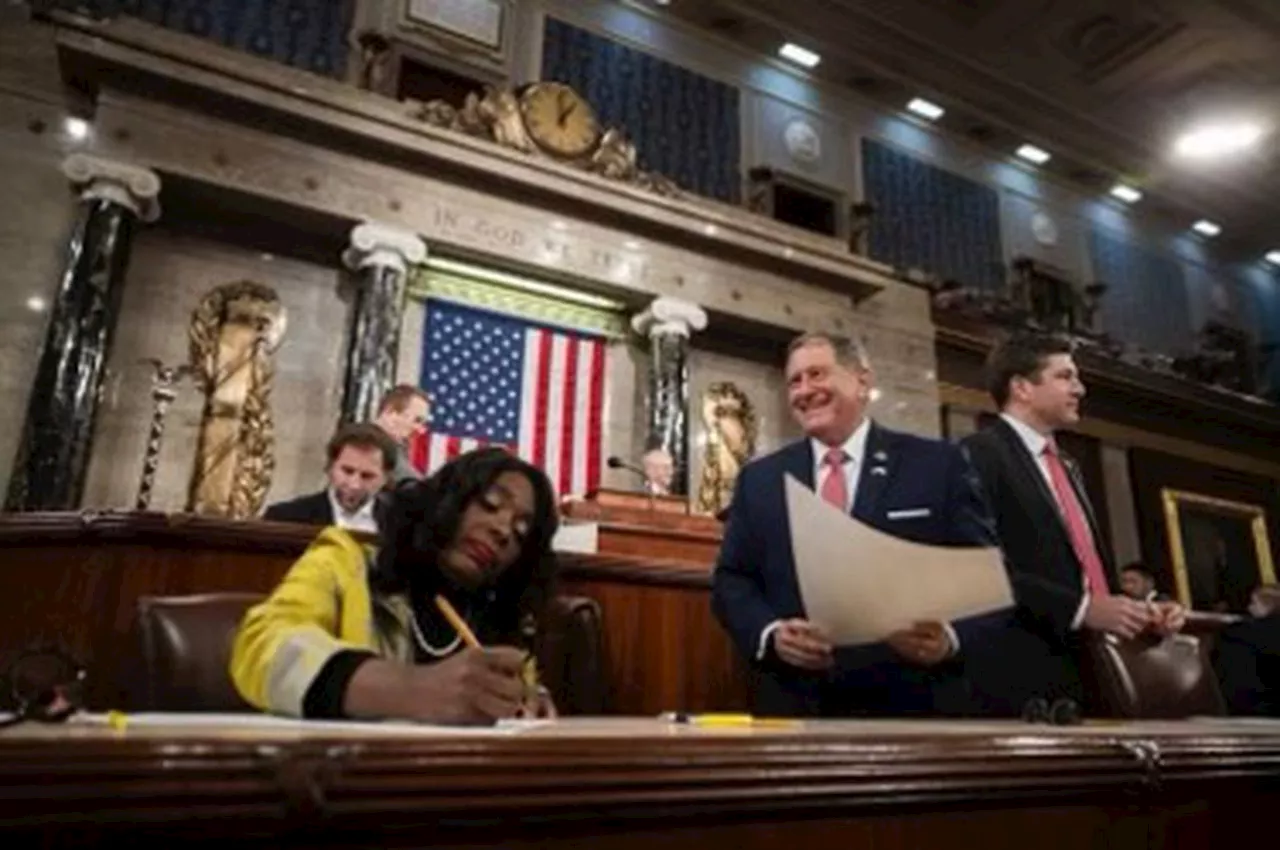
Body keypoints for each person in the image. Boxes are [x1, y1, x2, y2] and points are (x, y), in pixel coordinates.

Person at [711, 332, 1009, 717]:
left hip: (911, 703)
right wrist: (771, 635)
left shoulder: (937, 464)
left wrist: (949, 639)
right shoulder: (760, 480)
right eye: (795, 381)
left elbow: (988, 579)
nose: (804, 390)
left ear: (862, 381)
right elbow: (732, 580)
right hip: (796, 705)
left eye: (817, 374)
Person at [231, 447, 560, 724]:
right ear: (446, 501)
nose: (503, 531)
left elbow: (517, 704)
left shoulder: (498, 622)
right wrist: (412, 688)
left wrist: (526, 700)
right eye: (489, 504)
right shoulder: (347, 562)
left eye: (520, 531)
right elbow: (262, 646)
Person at [960, 332, 1185, 711]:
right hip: (1023, 678)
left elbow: (1084, 571)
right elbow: (975, 568)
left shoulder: (1068, 466)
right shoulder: (976, 455)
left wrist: (1141, 609)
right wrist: (1080, 609)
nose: (1080, 389)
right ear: (1022, 388)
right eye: (1065, 377)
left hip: (1092, 667)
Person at [263, 424, 398, 533]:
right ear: (330, 467)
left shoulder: (398, 527)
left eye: (367, 476)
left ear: (385, 478)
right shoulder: (285, 519)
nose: (354, 484)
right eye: (347, 471)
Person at [374, 384, 431, 483]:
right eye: (417, 420)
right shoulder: (370, 446)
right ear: (390, 412)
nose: (421, 430)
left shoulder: (398, 449)